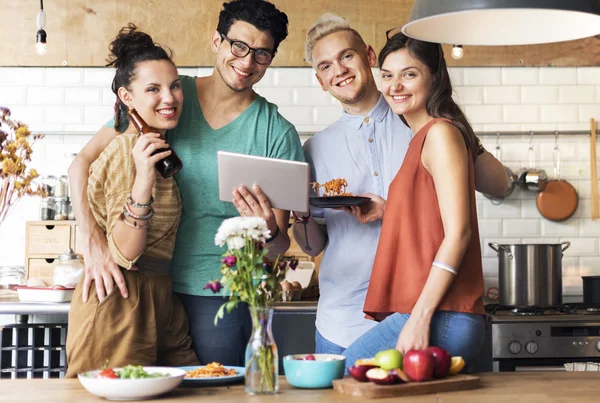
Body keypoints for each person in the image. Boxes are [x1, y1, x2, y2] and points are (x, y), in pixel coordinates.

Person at [68, 0, 304, 366]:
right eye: (238, 46)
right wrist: (90, 238)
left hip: (219, 296)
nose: (246, 62)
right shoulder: (167, 98)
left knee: (213, 392)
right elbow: (81, 162)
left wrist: (269, 229)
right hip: (140, 284)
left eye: (261, 54)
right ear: (217, 41)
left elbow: (279, 247)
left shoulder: (276, 133)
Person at [291, 14, 508, 355]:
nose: (340, 70)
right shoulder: (314, 149)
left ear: (368, 56)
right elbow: (313, 246)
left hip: (422, 310)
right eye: (325, 66)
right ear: (319, 80)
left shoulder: (424, 120)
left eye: (347, 56)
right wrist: (300, 214)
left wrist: (459, 129)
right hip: (342, 318)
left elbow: (496, 186)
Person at [341, 31, 489, 369]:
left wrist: (420, 317)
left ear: (434, 78)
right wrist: (388, 209)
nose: (395, 86)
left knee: (347, 371)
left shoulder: (440, 134)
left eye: (409, 74)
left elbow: (459, 233)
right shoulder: (422, 137)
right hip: (443, 313)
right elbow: (434, 212)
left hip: (443, 315)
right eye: (388, 76)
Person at [65, 24, 199, 377]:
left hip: (159, 298)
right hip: (118, 299)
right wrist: (142, 180)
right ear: (127, 97)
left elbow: (79, 162)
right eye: (152, 89)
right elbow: (125, 252)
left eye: (174, 86)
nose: (168, 97)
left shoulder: (149, 137)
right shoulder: (128, 149)